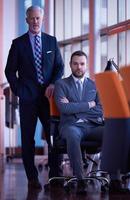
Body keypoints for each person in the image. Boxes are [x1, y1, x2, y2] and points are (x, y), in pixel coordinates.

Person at [5, 6, 64, 190]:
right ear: (27, 20)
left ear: (43, 19)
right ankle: (32, 177)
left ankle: (55, 176)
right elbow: (9, 71)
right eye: (32, 18)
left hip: (49, 98)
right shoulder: (18, 43)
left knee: (54, 136)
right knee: (28, 138)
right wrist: (19, 89)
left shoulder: (51, 42)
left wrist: (53, 83)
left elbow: (59, 67)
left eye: (38, 18)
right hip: (28, 98)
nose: (35, 21)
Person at [54, 50, 104, 194]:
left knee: (114, 132)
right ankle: (80, 179)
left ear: (86, 65)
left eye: (82, 64)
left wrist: (73, 107)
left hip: (92, 125)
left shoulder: (94, 85)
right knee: (72, 134)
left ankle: (116, 179)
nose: (79, 67)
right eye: (75, 64)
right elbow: (64, 108)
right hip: (71, 126)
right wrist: (89, 104)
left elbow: (100, 110)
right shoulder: (61, 84)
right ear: (70, 65)